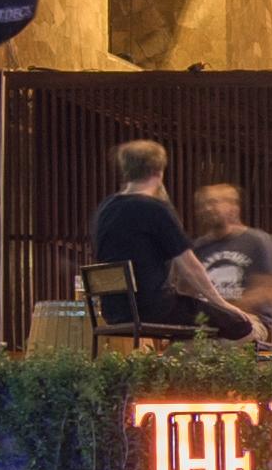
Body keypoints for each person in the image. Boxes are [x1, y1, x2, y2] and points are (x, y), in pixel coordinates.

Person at [84, 140, 250, 347]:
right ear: (158, 170)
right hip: (153, 308)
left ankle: (182, 360)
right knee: (239, 324)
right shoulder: (155, 209)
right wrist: (222, 303)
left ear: (126, 170)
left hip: (114, 310)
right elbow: (189, 266)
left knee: (195, 319)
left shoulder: (104, 209)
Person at [187, 180, 272, 345]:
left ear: (233, 207)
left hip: (248, 321)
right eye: (202, 204)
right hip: (206, 322)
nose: (207, 209)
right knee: (176, 351)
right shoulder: (198, 247)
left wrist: (227, 308)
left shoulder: (258, 241)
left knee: (212, 345)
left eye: (213, 203)